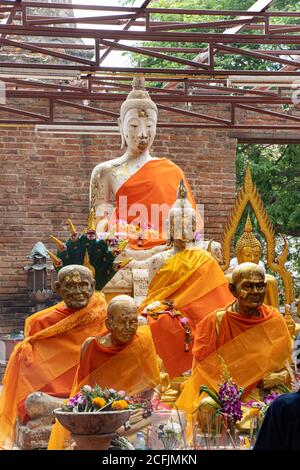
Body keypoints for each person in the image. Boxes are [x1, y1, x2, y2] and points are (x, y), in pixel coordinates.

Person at [0, 265, 107, 449]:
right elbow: (33, 373)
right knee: (34, 402)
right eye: (70, 286)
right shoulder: (41, 322)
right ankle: (76, 408)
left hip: (97, 391)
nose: (78, 292)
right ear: (57, 288)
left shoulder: (104, 315)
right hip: (53, 397)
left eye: (83, 285)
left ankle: (73, 409)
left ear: (93, 285)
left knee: (109, 396)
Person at [90, 76, 201, 251]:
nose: (143, 133)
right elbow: (97, 226)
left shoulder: (172, 171)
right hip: (128, 246)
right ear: (121, 126)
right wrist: (122, 229)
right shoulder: (105, 171)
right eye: (134, 125)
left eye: (149, 126)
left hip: (169, 246)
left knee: (207, 253)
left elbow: (190, 222)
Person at [138, 181, 233, 378]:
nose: (181, 229)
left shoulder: (206, 255)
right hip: (169, 312)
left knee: (221, 321)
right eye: (176, 224)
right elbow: (152, 297)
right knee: (151, 322)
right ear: (168, 227)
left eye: (186, 224)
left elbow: (218, 294)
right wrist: (158, 306)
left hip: (204, 313)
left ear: (193, 226)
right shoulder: (158, 260)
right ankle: (164, 375)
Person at [176, 262, 292, 416]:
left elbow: (289, 369)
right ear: (233, 290)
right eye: (248, 286)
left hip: (265, 394)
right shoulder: (216, 321)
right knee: (207, 406)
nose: (255, 292)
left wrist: (280, 377)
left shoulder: (275, 319)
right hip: (227, 396)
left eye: (260, 286)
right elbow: (202, 372)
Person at [48, 295, 160, 450]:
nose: (128, 327)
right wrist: (100, 407)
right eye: (122, 322)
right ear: (109, 324)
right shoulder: (92, 346)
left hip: (134, 412)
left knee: (166, 421)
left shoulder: (143, 341)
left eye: (133, 322)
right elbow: (82, 391)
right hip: (101, 409)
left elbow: (153, 386)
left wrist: (146, 406)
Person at [225, 215, 279, 308]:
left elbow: (274, 310)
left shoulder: (269, 281)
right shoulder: (229, 279)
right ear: (239, 255)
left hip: (263, 317)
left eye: (257, 255)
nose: (253, 258)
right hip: (236, 316)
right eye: (247, 255)